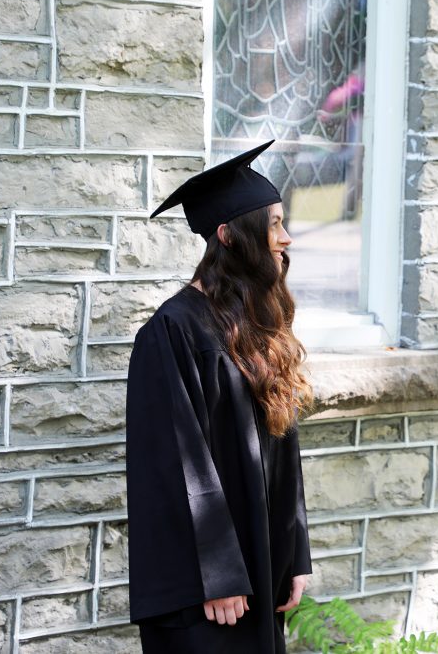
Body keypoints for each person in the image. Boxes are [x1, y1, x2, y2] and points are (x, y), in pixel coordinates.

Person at [126, 140, 313, 653]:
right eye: (273, 224)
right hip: (208, 594)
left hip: (261, 570)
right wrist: (218, 573)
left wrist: (294, 553)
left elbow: (282, 448)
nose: (286, 238)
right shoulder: (171, 332)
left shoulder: (254, 326)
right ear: (228, 235)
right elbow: (171, 466)